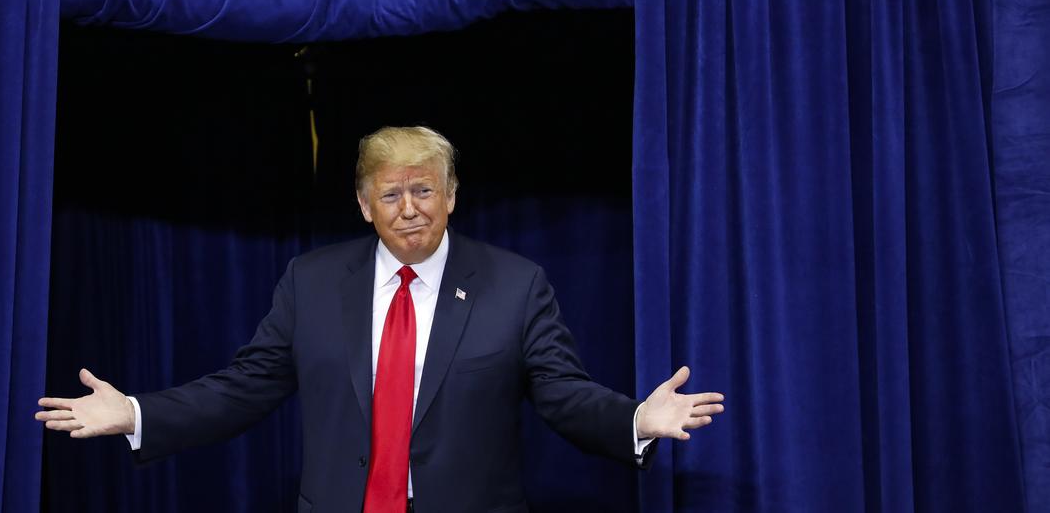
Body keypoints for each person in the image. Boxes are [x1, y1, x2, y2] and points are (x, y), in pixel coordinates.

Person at [37, 126, 724, 512]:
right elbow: (242, 388)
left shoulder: (516, 285)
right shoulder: (311, 282)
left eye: (424, 188)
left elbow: (563, 394)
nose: (410, 207)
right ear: (365, 205)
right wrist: (137, 413)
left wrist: (636, 419)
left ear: (451, 196)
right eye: (391, 194)